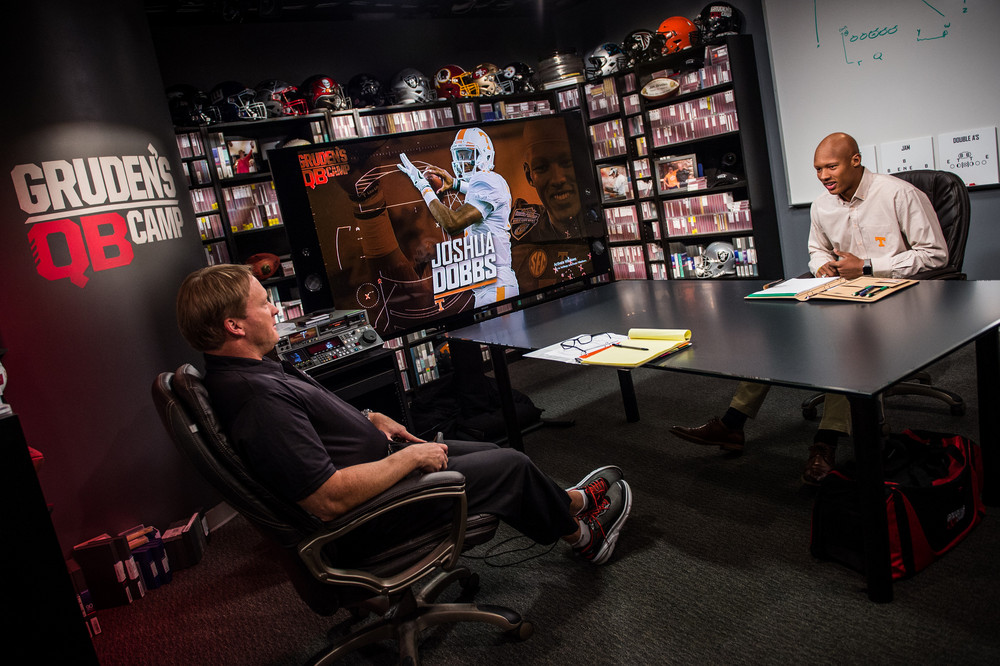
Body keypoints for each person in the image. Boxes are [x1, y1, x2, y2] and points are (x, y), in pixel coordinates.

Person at [174, 263, 633, 564]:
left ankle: (570, 502)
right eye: (262, 304)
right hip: (373, 511)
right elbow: (326, 499)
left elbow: (314, 427)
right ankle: (582, 535)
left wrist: (370, 417)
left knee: (481, 450)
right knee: (509, 465)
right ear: (235, 325)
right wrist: (408, 460)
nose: (274, 309)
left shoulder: (249, 370)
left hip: (381, 466)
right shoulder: (256, 399)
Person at [670, 132, 948, 485]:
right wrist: (822, 267)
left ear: (855, 161)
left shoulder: (899, 194)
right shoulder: (822, 205)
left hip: (899, 296)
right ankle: (732, 424)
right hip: (845, 293)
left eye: (831, 167)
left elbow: (935, 255)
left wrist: (867, 266)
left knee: (848, 344)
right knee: (779, 331)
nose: (824, 176)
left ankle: (825, 442)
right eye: (818, 169)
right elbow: (818, 250)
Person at [397, 127, 518, 308]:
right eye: (459, 155)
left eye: (467, 155)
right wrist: (454, 183)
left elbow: (452, 224)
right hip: (490, 285)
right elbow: (479, 197)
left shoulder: (487, 181)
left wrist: (423, 186)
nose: (462, 162)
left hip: (496, 285)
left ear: (484, 155)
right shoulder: (492, 182)